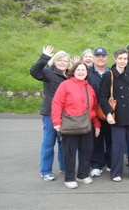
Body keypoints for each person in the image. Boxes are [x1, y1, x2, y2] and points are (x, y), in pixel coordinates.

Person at [98, 48, 129, 183]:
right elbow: (102, 97)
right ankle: (116, 172)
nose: (123, 61)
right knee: (117, 147)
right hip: (117, 116)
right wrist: (109, 113)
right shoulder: (109, 75)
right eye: (120, 58)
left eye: (125, 59)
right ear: (115, 59)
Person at [51, 61, 101, 189]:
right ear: (73, 71)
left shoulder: (89, 88)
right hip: (70, 124)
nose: (81, 72)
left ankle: (83, 175)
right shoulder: (65, 85)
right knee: (69, 152)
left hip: (86, 124)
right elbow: (57, 103)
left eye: (83, 70)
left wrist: (96, 124)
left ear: (87, 72)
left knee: (87, 151)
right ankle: (69, 178)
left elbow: (94, 107)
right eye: (78, 70)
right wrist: (56, 122)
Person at [30, 45, 70, 182]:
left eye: (65, 61)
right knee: (49, 142)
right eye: (59, 60)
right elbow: (34, 71)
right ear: (54, 61)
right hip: (50, 113)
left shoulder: (69, 75)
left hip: (66, 114)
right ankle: (46, 171)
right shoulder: (48, 73)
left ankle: (64, 167)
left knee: (64, 142)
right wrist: (44, 57)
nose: (62, 63)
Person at [88, 47, 111, 177]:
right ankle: (96, 165)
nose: (100, 58)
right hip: (93, 111)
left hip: (109, 111)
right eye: (98, 56)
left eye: (103, 56)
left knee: (111, 138)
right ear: (94, 58)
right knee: (96, 139)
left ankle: (110, 163)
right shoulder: (87, 73)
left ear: (107, 58)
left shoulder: (111, 73)